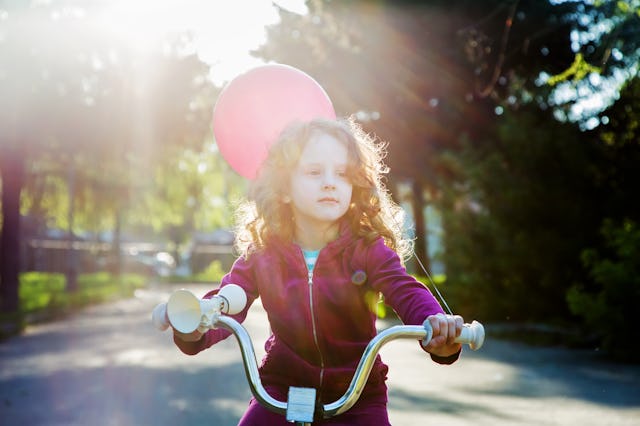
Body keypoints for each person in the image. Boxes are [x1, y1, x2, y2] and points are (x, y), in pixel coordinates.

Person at [172, 117, 464, 425]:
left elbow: (405, 289)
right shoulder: (264, 253)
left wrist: (435, 326)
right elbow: (230, 300)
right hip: (281, 389)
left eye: (342, 174)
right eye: (314, 172)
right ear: (284, 189)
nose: (330, 182)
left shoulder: (367, 249)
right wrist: (196, 325)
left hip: (358, 394)